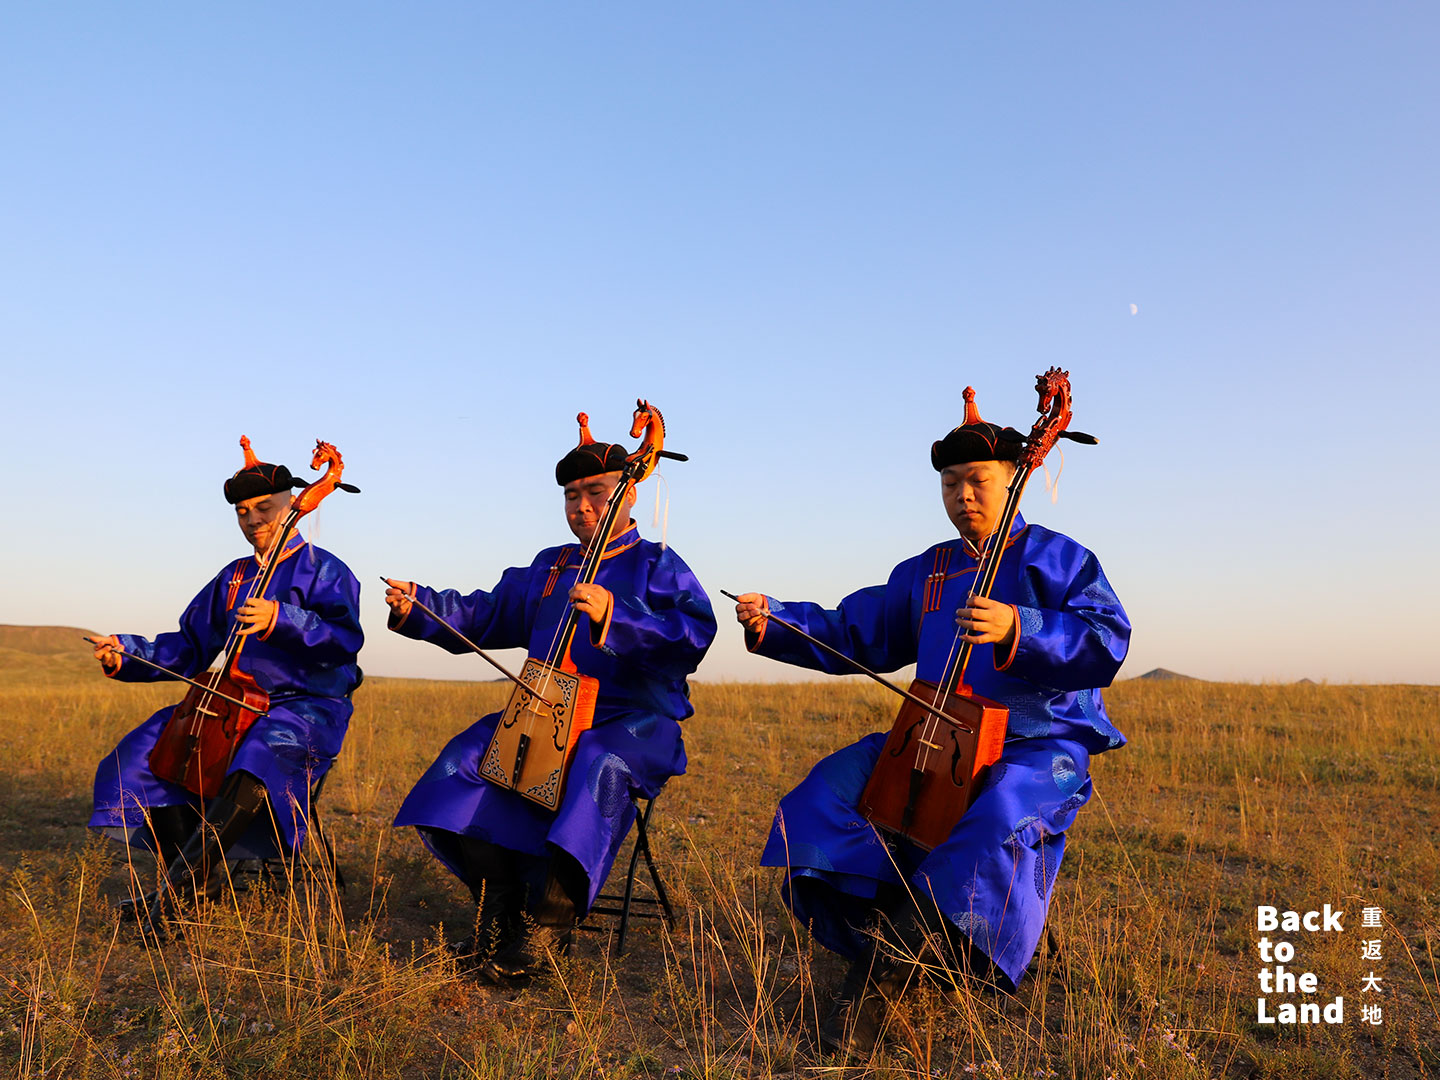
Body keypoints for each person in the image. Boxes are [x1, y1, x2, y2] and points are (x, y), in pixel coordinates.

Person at [732, 390, 1130, 1054]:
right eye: (950, 483)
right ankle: (879, 931)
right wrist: (777, 620)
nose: (962, 495)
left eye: (978, 481)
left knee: (1001, 813)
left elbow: (1107, 638)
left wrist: (1020, 625)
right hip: (935, 736)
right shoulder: (931, 570)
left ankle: (889, 975)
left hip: (1039, 741)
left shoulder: (1059, 559)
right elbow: (855, 631)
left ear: (1014, 478)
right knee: (828, 791)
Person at [384, 412, 715, 983]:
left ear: (629, 492)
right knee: (465, 761)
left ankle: (548, 925)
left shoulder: (657, 563)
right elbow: (486, 614)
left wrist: (616, 615)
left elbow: (693, 636)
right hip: (545, 711)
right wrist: (421, 605)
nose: (582, 507)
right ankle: (500, 907)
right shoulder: (550, 566)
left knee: (598, 762)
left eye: (596, 492)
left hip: (633, 720)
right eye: (571, 495)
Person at [87, 438, 363, 927]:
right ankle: (201, 882)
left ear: (290, 504)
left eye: (264, 508)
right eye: (242, 511)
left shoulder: (326, 569)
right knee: (142, 754)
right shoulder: (233, 577)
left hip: (306, 706)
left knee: (262, 751)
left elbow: (344, 639)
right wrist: (126, 652)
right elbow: (188, 646)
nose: (253, 519)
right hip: (230, 703)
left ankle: (176, 897)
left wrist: (281, 618)